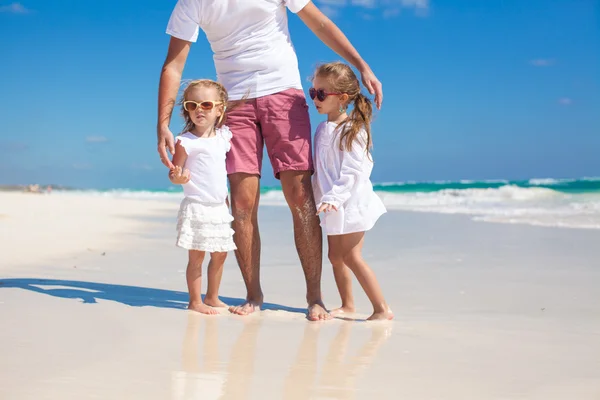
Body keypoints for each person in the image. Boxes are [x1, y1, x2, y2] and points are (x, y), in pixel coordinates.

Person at [157, 0, 383, 321]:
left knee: (301, 195)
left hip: (283, 96)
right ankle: (253, 294)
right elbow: (173, 66)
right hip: (234, 102)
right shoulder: (192, 2)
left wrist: (361, 65)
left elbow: (319, 23)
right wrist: (163, 123)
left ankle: (314, 297)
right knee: (243, 202)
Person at [310, 62, 393, 321]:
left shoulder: (352, 130)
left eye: (321, 94)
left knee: (351, 256)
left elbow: (355, 170)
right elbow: (321, 169)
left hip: (351, 202)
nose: (315, 99)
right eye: (313, 93)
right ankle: (347, 304)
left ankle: (382, 309)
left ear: (342, 98)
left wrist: (335, 197)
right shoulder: (322, 128)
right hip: (331, 205)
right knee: (335, 256)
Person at [169, 79, 236, 315]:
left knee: (220, 254)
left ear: (220, 109)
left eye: (206, 104)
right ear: (186, 110)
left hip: (219, 207)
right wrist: (180, 178)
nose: (199, 110)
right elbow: (174, 173)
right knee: (196, 256)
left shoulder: (224, 137)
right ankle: (194, 300)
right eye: (192, 105)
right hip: (197, 205)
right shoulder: (185, 141)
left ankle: (213, 296)